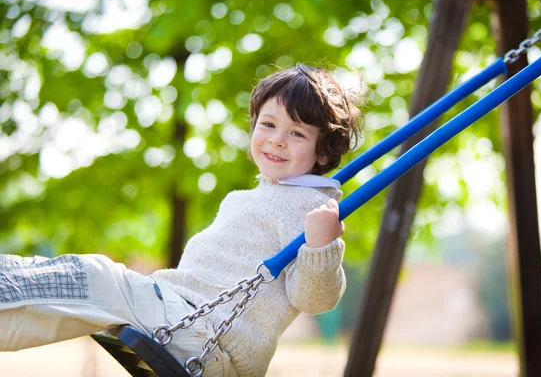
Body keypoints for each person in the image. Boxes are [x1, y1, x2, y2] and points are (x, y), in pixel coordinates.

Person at [0, 63, 364, 376]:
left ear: (323, 152)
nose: (277, 140)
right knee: (66, 305)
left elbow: (315, 299)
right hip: (182, 318)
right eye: (268, 124)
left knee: (96, 276)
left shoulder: (310, 208)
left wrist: (322, 246)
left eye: (297, 133)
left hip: (208, 340)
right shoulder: (256, 197)